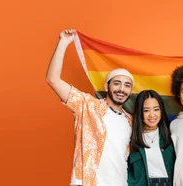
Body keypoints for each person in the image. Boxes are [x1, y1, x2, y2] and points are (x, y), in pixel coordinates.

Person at [46, 29, 134, 186]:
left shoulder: (131, 121)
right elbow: (53, 79)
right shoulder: (87, 106)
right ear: (107, 86)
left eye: (127, 85)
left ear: (130, 91)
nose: (121, 89)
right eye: (117, 83)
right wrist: (63, 43)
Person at [127, 90, 177, 186]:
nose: (152, 115)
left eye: (156, 109)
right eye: (146, 110)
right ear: (140, 113)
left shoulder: (171, 133)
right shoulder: (131, 138)